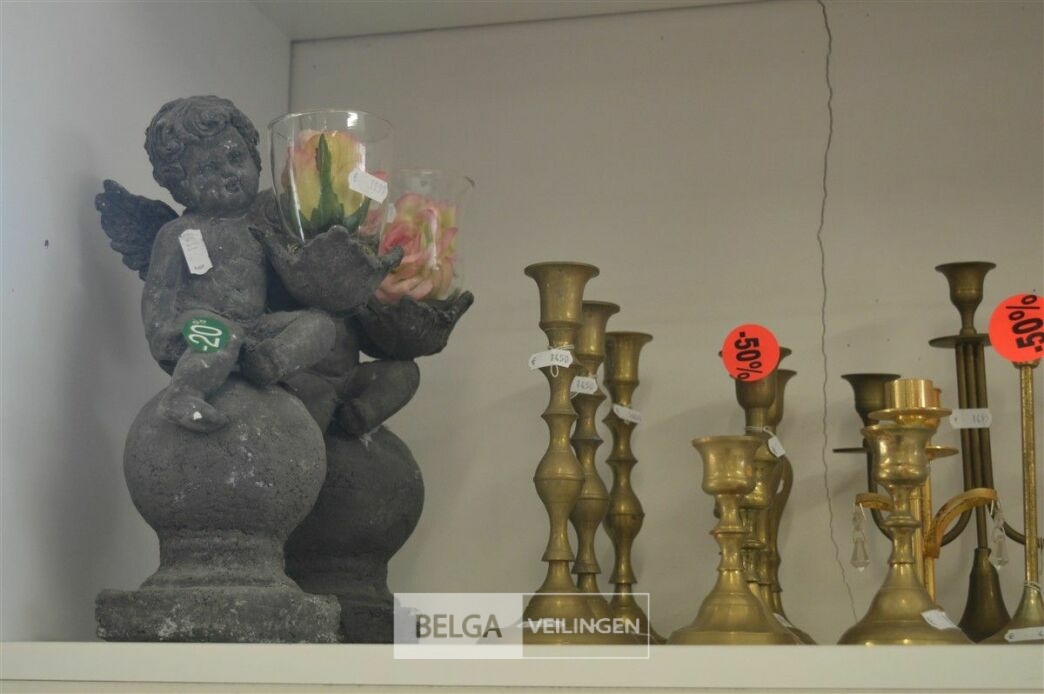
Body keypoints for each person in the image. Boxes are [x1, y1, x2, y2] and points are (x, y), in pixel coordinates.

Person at [141, 96, 335, 432]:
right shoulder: (179, 233)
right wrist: (162, 333)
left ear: (255, 160)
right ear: (180, 186)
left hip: (251, 329)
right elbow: (159, 293)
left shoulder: (262, 223)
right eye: (208, 169)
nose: (229, 174)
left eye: (235, 158)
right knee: (222, 335)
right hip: (193, 328)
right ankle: (183, 394)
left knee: (319, 325)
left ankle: (267, 364)